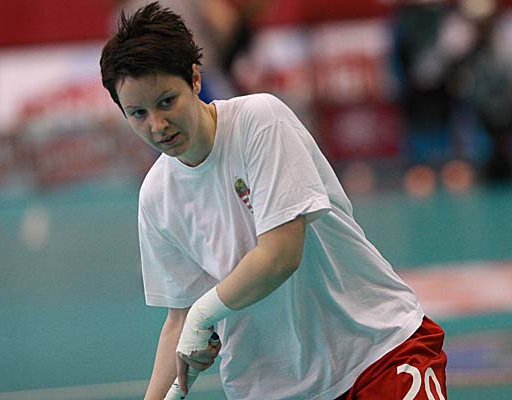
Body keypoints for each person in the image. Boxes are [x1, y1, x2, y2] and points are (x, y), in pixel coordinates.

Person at [100, 3, 447, 399]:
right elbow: (179, 319)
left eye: (167, 101)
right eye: (138, 113)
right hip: (271, 389)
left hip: (375, 352)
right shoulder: (156, 197)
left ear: (195, 79)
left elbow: (280, 255)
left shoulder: (260, 122)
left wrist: (203, 313)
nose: (157, 125)